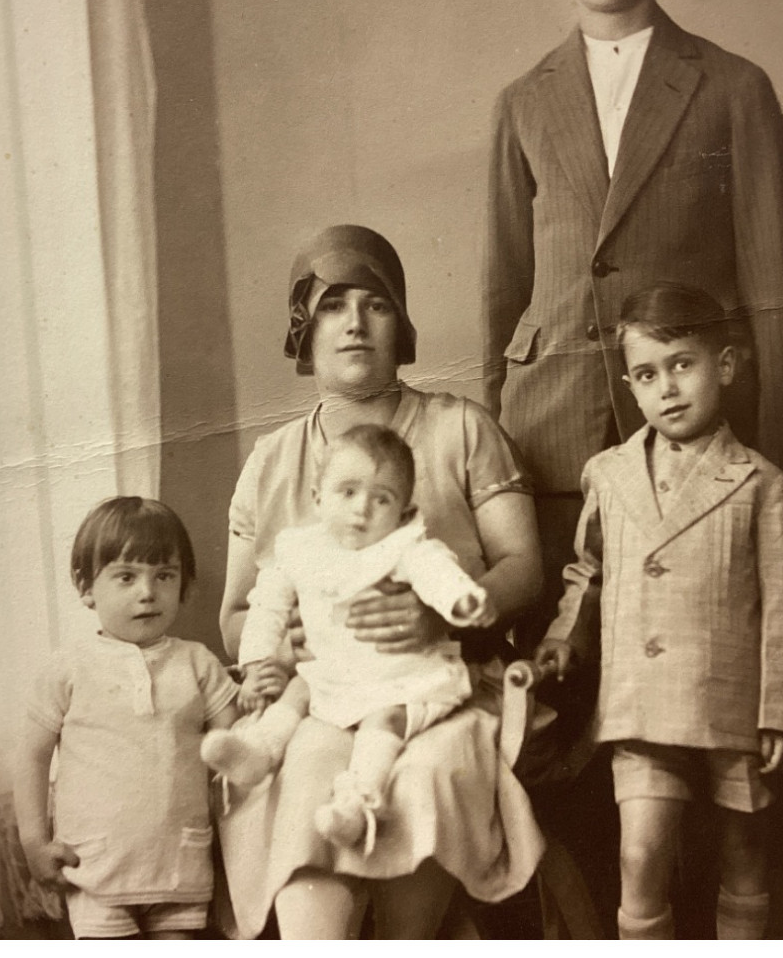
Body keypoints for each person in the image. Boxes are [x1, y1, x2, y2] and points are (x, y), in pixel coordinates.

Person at [484, 0, 783, 644]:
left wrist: (777, 470)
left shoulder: (733, 87)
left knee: (699, 677)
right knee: (566, 689)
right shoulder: (523, 102)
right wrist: (498, 464)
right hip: (554, 445)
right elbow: (503, 294)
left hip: (704, 441)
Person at [217, 224, 545, 939]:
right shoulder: (272, 461)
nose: (357, 323)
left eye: (377, 303)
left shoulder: (461, 427)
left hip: (438, 688)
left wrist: (448, 618)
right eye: (334, 306)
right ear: (304, 331)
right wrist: (292, 635)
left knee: (423, 773)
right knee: (306, 773)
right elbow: (238, 614)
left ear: (402, 322)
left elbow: (524, 566)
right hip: (319, 696)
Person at [536, 283, 783, 940]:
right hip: (641, 697)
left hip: (733, 700)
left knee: (743, 849)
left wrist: (780, 709)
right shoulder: (608, 473)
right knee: (641, 851)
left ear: (727, 365)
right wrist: (565, 635)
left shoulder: (760, 482)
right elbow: (588, 571)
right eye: (648, 374)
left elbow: (782, 603)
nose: (668, 388)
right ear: (629, 384)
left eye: (683, 363)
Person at [204, 423, 495, 854]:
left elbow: (438, 573)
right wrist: (258, 663)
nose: (363, 510)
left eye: (382, 499)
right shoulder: (301, 550)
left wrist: (463, 602)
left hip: (400, 676)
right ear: (318, 498)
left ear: (402, 510)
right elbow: (266, 605)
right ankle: (261, 751)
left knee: (386, 718)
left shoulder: (406, 546)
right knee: (297, 690)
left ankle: (358, 803)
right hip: (332, 673)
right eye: (348, 492)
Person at [14, 497, 238, 940]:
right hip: (95, 870)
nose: (147, 592)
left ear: (185, 587)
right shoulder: (69, 668)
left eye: (164, 576)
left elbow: (233, 747)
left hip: (181, 869)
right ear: (86, 587)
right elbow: (32, 757)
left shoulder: (197, 663)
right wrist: (34, 841)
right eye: (126, 576)